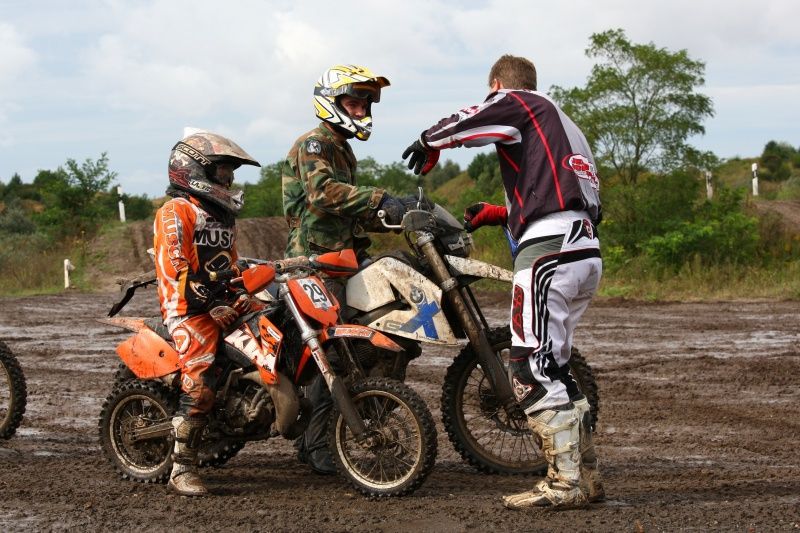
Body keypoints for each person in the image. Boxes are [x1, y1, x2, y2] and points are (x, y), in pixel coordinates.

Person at [402, 54, 604, 509]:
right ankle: (586, 476)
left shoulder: (521, 101)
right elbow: (563, 192)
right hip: (583, 249)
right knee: (555, 368)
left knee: (529, 368)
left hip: (549, 252)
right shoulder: (568, 127)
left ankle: (565, 484)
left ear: (497, 85)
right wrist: (500, 213)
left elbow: (475, 118)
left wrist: (430, 140)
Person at [281, 64, 407, 475]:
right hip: (314, 264)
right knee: (331, 354)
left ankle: (354, 423)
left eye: (365, 104)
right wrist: (378, 198)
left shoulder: (342, 148)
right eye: (353, 102)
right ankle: (316, 443)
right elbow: (323, 194)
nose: (360, 110)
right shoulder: (314, 144)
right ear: (331, 103)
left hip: (343, 259)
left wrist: (400, 214)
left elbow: (350, 211)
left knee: (378, 337)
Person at [154, 131, 261, 496]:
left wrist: (243, 289)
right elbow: (176, 269)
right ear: (195, 169)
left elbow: (231, 264)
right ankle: (182, 467)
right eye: (223, 170)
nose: (229, 178)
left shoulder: (222, 216)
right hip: (187, 308)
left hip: (221, 300)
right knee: (199, 380)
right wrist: (210, 304)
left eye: (230, 172)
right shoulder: (176, 211)